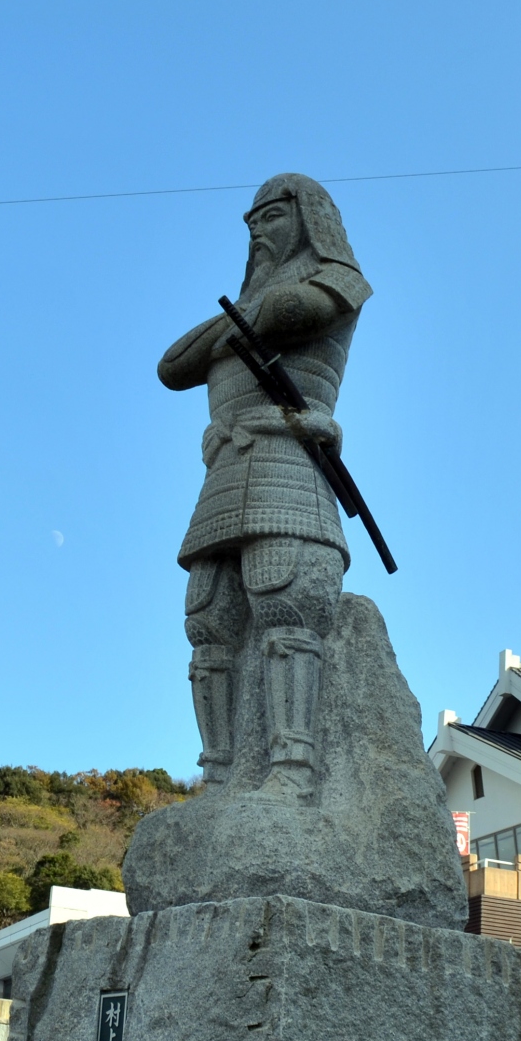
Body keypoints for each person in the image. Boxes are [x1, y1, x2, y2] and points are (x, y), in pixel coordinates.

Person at [158, 174, 372, 802]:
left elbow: (288, 314)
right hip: (224, 470)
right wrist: (237, 323)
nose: (256, 230)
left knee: (287, 603)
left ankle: (293, 768)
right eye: (250, 221)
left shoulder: (339, 282)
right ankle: (218, 773)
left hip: (287, 462)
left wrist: (230, 326)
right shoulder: (247, 306)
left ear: (308, 217)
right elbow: (172, 366)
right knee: (208, 617)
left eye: (271, 215)